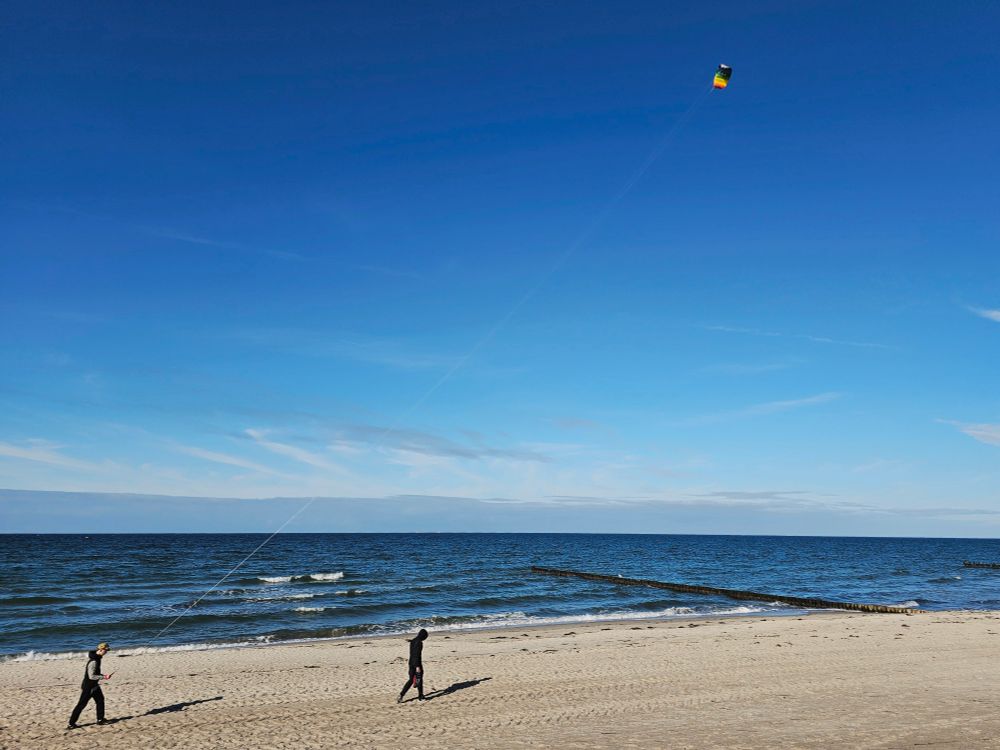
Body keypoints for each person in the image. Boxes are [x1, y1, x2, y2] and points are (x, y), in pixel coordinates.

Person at [67, 642, 113, 729]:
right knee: (81, 705)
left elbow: (95, 674)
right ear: (100, 650)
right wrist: (104, 677)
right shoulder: (94, 661)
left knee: (100, 700)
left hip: (94, 686)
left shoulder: (97, 658)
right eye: (105, 651)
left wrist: (102, 676)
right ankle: (71, 724)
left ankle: (100, 720)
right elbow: (91, 676)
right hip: (89, 687)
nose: (106, 652)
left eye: (107, 651)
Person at [397, 629, 428, 702]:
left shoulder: (413, 641)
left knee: (411, 680)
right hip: (416, 663)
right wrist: (417, 666)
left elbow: (413, 653)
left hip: (411, 662)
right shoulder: (419, 643)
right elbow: (417, 654)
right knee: (419, 679)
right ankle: (420, 696)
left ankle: (401, 695)